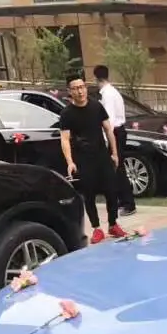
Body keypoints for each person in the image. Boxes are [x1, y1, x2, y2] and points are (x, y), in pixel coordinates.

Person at [59, 72, 125, 244]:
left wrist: (114, 153)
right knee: (89, 195)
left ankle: (113, 224)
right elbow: (64, 139)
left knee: (112, 191)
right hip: (83, 159)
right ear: (70, 91)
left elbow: (108, 130)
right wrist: (70, 161)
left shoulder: (96, 106)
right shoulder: (67, 114)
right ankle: (97, 228)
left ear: (86, 88)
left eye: (82, 87)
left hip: (102, 155)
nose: (80, 91)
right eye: (75, 88)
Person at [94, 64, 136, 216]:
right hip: (118, 132)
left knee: (117, 168)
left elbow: (109, 120)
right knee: (115, 168)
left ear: (96, 78)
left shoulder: (108, 95)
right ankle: (122, 200)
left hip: (115, 133)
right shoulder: (112, 92)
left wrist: (107, 139)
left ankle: (128, 203)